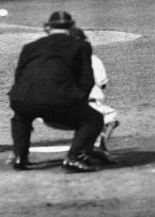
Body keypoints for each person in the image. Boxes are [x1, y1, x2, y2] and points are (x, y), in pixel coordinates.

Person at [8, 11, 104, 173]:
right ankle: (75, 157)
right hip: (58, 99)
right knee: (93, 119)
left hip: (22, 98)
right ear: (72, 26)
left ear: (47, 27)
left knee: (20, 118)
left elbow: (19, 76)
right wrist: (78, 100)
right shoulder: (81, 46)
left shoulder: (29, 47)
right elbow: (86, 79)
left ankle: (19, 157)